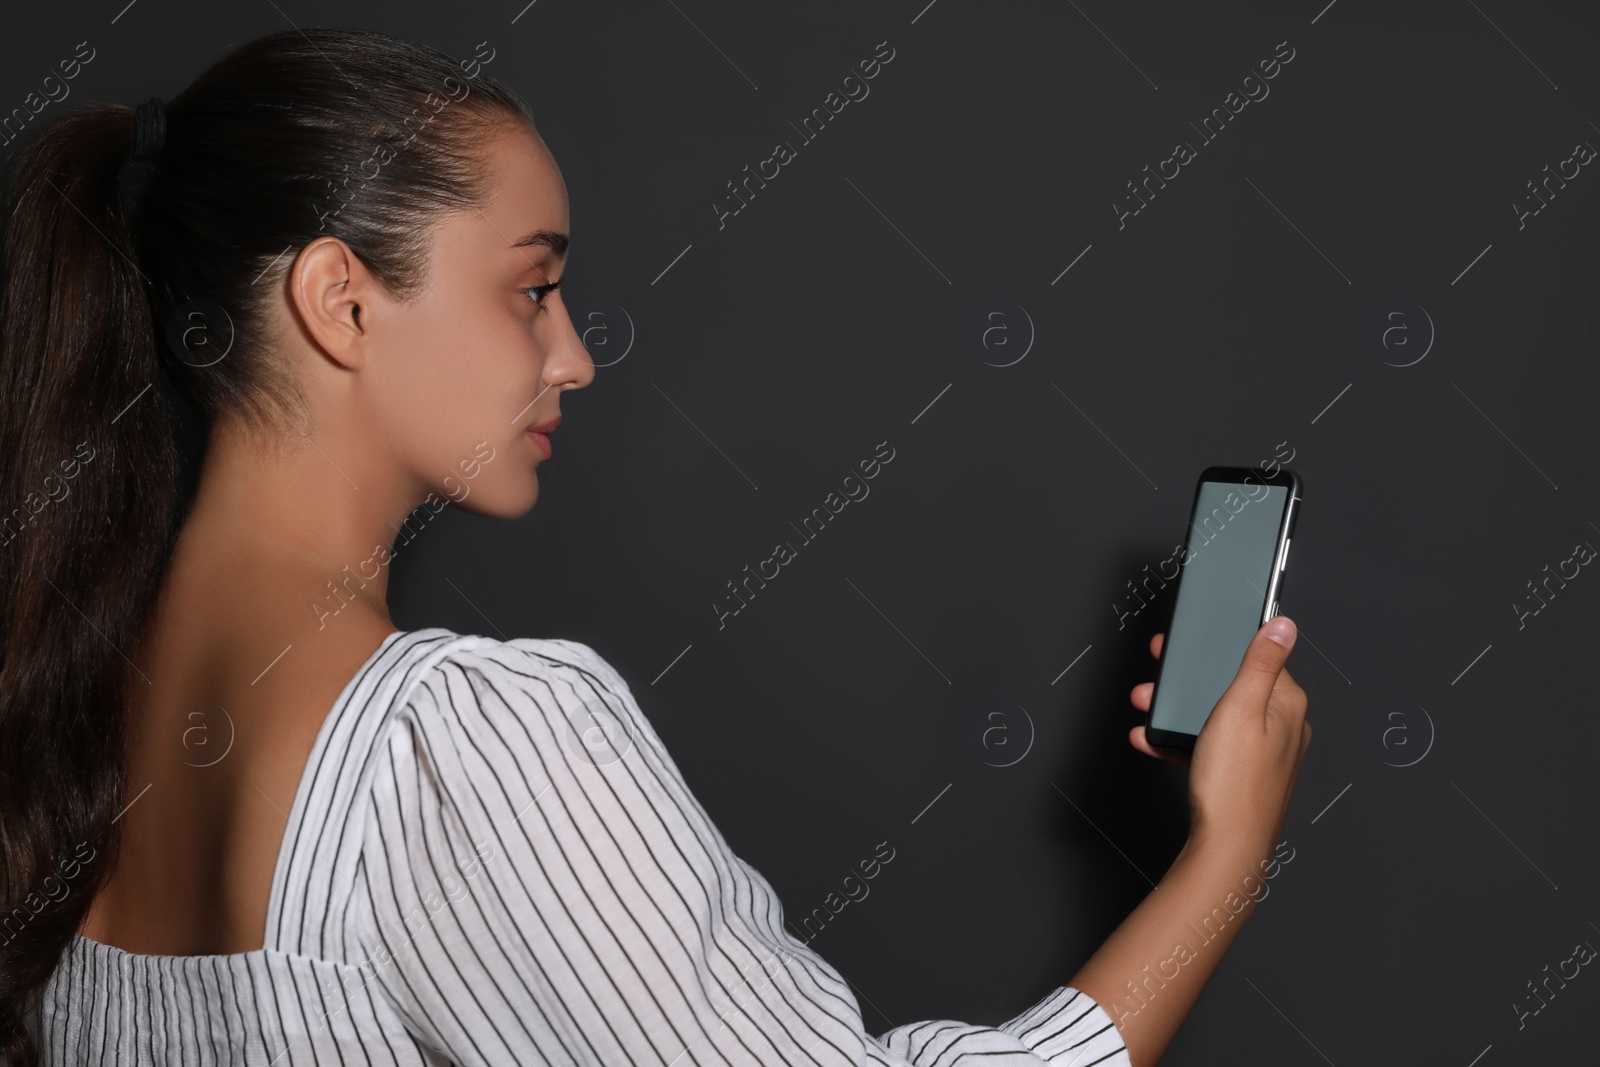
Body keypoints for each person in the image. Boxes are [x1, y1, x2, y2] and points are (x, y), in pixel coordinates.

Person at [0, 26, 1310, 1067]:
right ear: (341, 300)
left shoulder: (68, 727)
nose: (572, 357)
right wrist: (1228, 861)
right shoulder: (469, 746)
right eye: (530, 288)